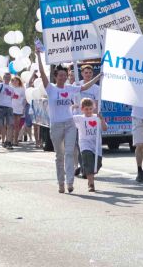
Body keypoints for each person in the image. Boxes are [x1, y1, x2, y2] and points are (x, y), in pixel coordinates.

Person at [35, 52, 101, 193]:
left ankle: (70, 182)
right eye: (60, 75)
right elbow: (41, 72)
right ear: (56, 76)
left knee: (70, 152)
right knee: (60, 155)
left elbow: (85, 87)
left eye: (65, 75)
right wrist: (38, 56)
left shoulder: (70, 88)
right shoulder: (51, 88)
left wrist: (98, 77)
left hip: (69, 123)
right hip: (56, 125)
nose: (63, 77)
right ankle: (61, 182)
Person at [72, 98, 107, 192]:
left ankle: (89, 174)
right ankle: (91, 183)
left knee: (97, 165)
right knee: (87, 159)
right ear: (82, 109)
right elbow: (67, 118)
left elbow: (104, 128)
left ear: (94, 108)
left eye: (90, 109)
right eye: (86, 109)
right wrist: (71, 108)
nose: (88, 111)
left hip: (96, 145)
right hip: (84, 144)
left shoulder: (97, 117)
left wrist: (102, 120)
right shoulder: (79, 118)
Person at [0, 72, 14, 149]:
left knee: (10, 125)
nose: (7, 79)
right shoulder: (0, 85)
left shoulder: (12, 88)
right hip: (0, 107)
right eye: (6, 77)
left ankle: (8, 142)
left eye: (9, 77)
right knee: (0, 126)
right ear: (3, 78)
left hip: (9, 107)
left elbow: (11, 97)